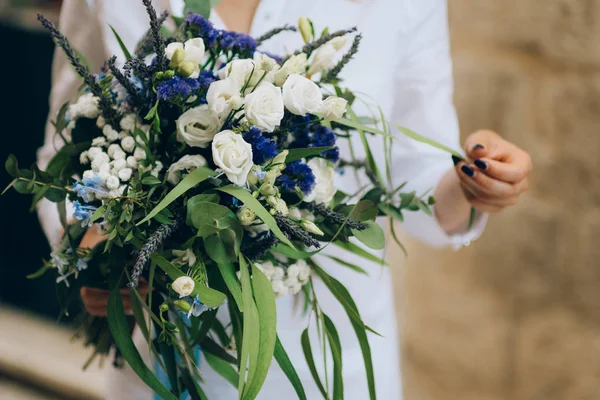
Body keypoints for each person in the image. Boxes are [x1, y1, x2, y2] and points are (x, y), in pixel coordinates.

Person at [37, 0, 533, 398]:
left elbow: (419, 180)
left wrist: (473, 181)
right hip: (164, 362)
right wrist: (95, 247)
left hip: (324, 363)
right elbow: (67, 145)